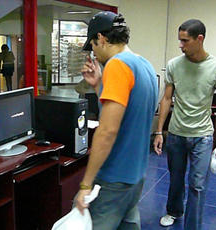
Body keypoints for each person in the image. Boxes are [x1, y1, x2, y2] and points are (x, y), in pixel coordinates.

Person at [75, 11, 158, 230]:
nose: (93, 51)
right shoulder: (144, 65)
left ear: (101, 38)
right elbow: (131, 113)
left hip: (113, 177)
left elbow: (108, 131)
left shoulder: (117, 65)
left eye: (92, 45)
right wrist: (97, 85)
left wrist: (86, 184)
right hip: (135, 176)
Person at [153, 19, 216, 230]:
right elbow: (166, 99)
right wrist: (159, 131)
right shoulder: (174, 65)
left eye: (185, 40)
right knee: (176, 179)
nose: (181, 45)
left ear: (200, 39)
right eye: (180, 40)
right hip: (176, 134)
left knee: (197, 185)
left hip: (203, 136)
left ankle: (192, 226)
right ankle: (174, 211)